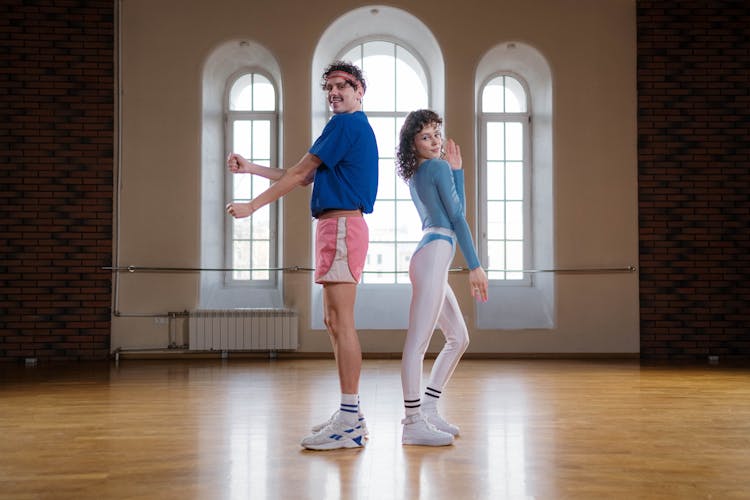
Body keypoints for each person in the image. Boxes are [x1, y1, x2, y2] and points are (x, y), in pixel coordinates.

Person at [226, 61, 378, 451]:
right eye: (328, 87)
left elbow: (297, 176)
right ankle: (351, 414)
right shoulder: (343, 128)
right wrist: (252, 168)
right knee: (333, 320)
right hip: (334, 227)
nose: (334, 92)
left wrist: (251, 206)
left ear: (360, 90)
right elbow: (301, 174)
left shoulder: (347, 125)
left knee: (342, 321)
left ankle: (349, 420)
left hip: (342, 226)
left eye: (342, 85)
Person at [396, 109, 488, 446]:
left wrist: (458, 171)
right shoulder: (434, 167)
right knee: (418, 343)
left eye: (437, 133)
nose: (434, 141)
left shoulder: (422, 172)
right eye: (425, 136)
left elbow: (454, 212)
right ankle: (412, 421)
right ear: (413, 144)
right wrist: (475, 265)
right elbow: (458, 219)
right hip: (434, 256)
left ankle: (429, 409)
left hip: (431, 256)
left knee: (458, 338)